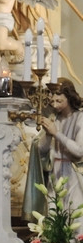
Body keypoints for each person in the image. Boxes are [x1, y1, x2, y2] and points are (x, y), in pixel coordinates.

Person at [38, 77, 83, 232]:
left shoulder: (80, 118)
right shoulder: (54, 118)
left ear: (69, 98)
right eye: (52, 101)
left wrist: (56, 134)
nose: (55, 105)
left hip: (73, 174)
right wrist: (48, 134)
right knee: (53, 215)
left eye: (59, 100)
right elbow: (41, 150)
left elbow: (79, 150)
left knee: (75, 214)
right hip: (55, 173)